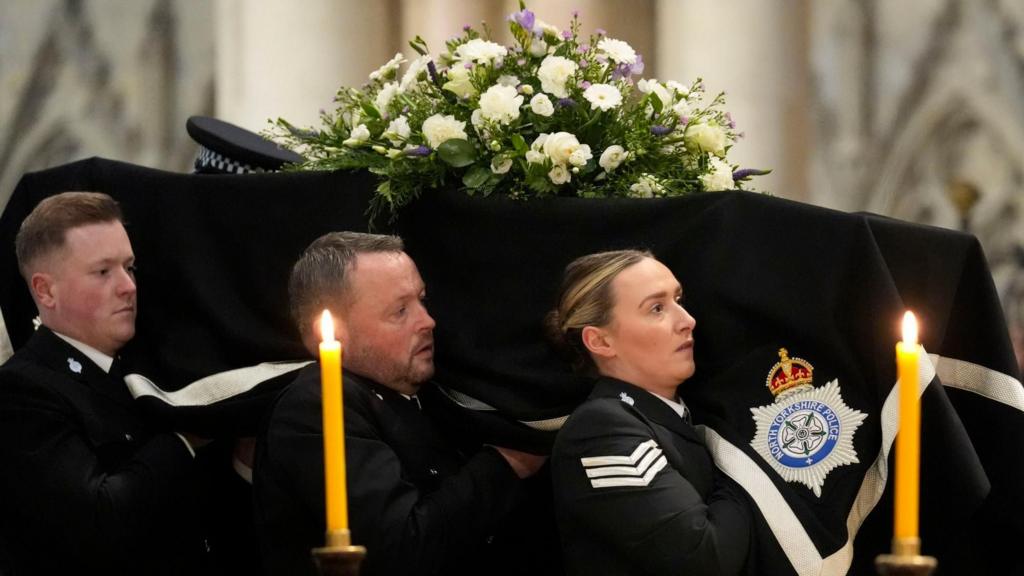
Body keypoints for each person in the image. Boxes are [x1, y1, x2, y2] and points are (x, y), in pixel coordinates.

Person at [253, 231, 549, 576]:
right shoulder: (316, 408)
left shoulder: (426, 391)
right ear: (334, 333)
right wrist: (505, 464)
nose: (427, 321)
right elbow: (400, 549)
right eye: (400, 310)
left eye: (422, 301)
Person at [0, 192, 211, 574]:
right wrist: (182, 441)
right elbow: (96, 522)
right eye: (103, 272)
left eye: (129, 268)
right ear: (45, 290)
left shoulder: (143, 366)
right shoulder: (22, 392)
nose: (128, 286)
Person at [547, 249, 752, 576]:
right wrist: (755, 460)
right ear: (600, 341)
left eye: (678, 300)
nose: (688, 321)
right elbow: (706, 556)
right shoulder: (601, 430)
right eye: (657, 308)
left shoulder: (680, 413)